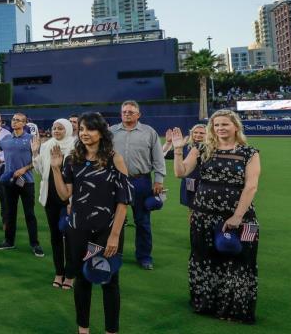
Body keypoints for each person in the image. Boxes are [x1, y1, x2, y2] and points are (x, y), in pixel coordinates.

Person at [171, 110, 260, 324]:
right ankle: (206, 304)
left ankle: (236, 309)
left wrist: (237, 216)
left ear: (236, 127)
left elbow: (251, 186)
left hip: (242, 219)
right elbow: (180, 172)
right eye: (216, 125)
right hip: (203, 216)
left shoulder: (250, 153)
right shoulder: (201, 149)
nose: (220, 128)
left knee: (242, 261)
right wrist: (178, 150)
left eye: (225, 124)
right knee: (204, 258)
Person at [50, 112, 133, 334]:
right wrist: (56, 168)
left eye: (90, 129)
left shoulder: (115, 159)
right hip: (78, 229)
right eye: (82, 129)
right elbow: (64, 195)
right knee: (82, 279)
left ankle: (111, 330)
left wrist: (114, 235)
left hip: (107, 230)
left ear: (101, 132)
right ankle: (83, 329)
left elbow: (123, 201)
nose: (85, 133)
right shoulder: (72, 159)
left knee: (109, 281)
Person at [109, 100, 166, 270]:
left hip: (140, 180)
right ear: (121, 114)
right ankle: (114, 253)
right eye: (124, 111)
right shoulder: (111, 132)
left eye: (131, 112)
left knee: (142, 221)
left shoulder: (149, 132)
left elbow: (158, 158)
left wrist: (158, 179)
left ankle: (144, 257)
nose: (127, 114)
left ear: (138, 114)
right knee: (114, 219)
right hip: (115, 180)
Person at [0, 113, 44, 257]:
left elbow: (37, 160)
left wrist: (25, 169)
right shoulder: (6, 139)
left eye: (18, 120)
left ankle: (35, 244)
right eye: (13, 120)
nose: (14, 122)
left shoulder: (31, 139)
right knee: (10, 213)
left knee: (29, 214)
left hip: (27, 182)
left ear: (24, 123)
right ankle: (9, 241)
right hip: (9, 182)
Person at [32, 118, 76, 289]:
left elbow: (77, 178)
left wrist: (73, 201)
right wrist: (35, 153)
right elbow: (41, 171)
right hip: (50, 197)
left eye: (60, 128)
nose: (56, 131)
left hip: (68, 200)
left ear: (68, 129)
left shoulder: (76, 146)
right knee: (55, 236)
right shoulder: (47, 145)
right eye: (54, 128)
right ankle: (59, 272)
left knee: (70, 237)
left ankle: (70, 274)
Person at [165, 124, 206, 222]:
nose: (198, 135)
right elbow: (166, 155)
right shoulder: (186, 147)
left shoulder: (212, 148)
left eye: (201, 133)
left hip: (205, 184)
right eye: (195, 132)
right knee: (192, 210)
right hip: (189, 183)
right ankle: (193, 229)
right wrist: (168, 143)